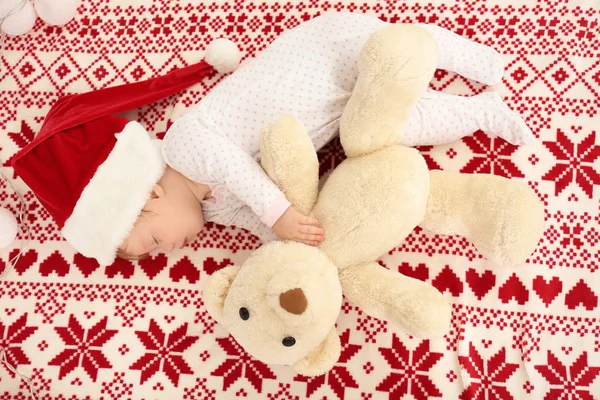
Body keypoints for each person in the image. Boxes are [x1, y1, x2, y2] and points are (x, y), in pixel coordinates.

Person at [12, 13, 533, 266]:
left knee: (404, 48)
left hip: (322, 57)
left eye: (153, 244)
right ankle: (481, 114)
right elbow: (261, 224)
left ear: (146, 197)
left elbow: (248, 181)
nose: (167, 252)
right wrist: (297, 240)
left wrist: (281, 216)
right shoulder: (213, 212)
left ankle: (482, 61)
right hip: (339, 115)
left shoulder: (183, 144)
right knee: (395, 123)